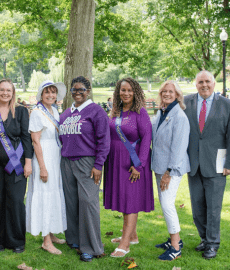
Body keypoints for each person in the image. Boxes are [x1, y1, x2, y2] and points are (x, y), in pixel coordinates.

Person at [183, 70, 230, 259]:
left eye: (207, 81)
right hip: (193, 164)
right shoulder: (186, 102)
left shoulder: (227, 105)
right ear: (196, 84)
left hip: (217, 165)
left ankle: (213, 243)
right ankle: (204, 239)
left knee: (213, 208)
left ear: (214, 83)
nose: (204, 85)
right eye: (200, 82)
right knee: (197, 208)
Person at [0, 79, 33, 253]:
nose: (5, 93)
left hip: (16, 163)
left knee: (16, 201)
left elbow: (26, 137)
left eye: (8, 90)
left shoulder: (21, 111)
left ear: (13, 92)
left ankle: (17, 241)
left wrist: (29, 162)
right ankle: (0, 240)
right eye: (2, 90)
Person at [59, 76, 110, 262]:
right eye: (74, 90)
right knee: (71, 202)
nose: (77, 93)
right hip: (66, 163)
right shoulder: (65, 114)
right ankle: (74, 239)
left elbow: (104, 140)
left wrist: (98, 165)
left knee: (88, 203)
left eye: (81, 89)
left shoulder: (96, 111)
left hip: (87, 163)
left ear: (88, 91)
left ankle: (91, 247)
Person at [103, 77, 153, 258]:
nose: (126, 93)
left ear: (136, 92)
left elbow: (147, 139)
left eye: (130, 90)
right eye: (123, 90)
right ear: (118, 92)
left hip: (133, 163)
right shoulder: (115, 111)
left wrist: (139, 166)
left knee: (130, 201)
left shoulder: (140, 113)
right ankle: (132, 235)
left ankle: (125, 244)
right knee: (125, 200)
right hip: (115, 161)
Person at [26, 80, 67, 255]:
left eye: (53, 92)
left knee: (54, 194)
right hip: (44, 157)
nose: (51, 95)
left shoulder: (55, 111)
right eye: (47, 92)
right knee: (45, 195)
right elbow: (35, 141)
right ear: (41, 95)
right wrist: (42, 168)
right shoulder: (37, 113)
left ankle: (51, 232)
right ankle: (46, 240)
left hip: (55, 157)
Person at [151, 81, 190, 261]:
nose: (167, 94)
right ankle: (175, 240)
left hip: (171, 169)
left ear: (177, 95)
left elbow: (179, 148)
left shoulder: (179, 117)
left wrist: (168, 173)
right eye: (164, 91)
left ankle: (175, 247)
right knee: (165, 202)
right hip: (159, 166)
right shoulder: (161, 112)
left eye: (170, 92)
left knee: (167, 204)